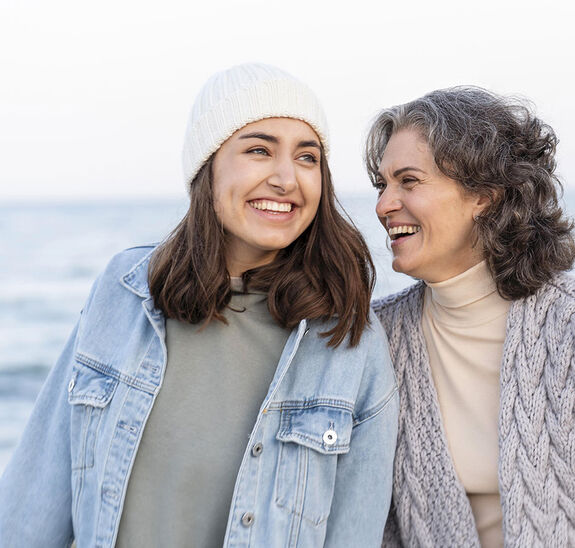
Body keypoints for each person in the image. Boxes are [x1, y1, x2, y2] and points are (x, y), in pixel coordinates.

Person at [0, 63, 398, 547]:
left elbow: (354, 533)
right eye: (258, 150)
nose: (286, 178)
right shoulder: (124, 293)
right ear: (206, 167)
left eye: (308, 157)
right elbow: (33, 498)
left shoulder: (349, 339)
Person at [365, 87, 575, 547]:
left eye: (409, 181)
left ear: (484, 195)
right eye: (382, 185)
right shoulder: (376, 339)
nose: (383, 205)